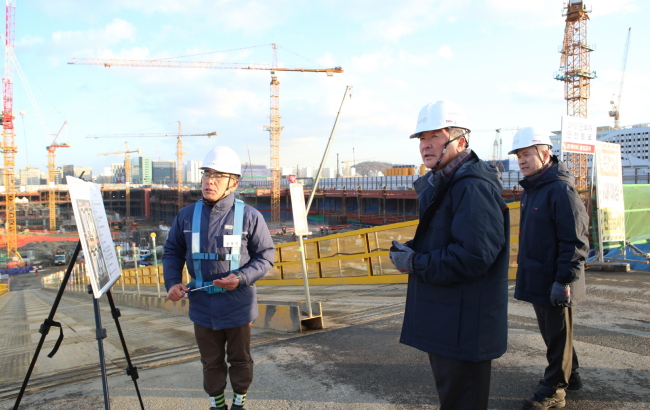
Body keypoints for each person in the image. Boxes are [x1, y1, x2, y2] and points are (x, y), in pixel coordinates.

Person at [389, 101, 510, 410]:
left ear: (460, 141)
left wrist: (415, 262)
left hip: (464, 325)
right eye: (422, 138)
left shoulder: (472, 187)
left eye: (435, 136)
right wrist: (415, 251)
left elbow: (474, 255)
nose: (426, 145)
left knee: (462, 401)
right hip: (452, 320)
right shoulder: (449, 183)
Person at [163, 146, 275, 410]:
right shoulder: (186, 216)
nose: (209, 181)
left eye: (217, 175)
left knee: (240, 358)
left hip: (238, 304)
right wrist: (172, 282)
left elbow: (266, 256)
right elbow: (173, 251)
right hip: (202, 306)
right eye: (206, 174)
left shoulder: (250, 216)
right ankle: (217, 403)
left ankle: (239, 401)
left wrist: (242, 277)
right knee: (210, 361)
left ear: (233, 182)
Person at [509, 127, 589, 410]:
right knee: (555, 333)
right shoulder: (533, 190)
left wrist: (563, 280)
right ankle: (572, 374)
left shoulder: (559, 189)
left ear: (545, 154)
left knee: (557, 334)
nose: (522, 160)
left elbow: (576, 240)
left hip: (555, 278)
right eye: (519, 155)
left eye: (527, 153)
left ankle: (554, 390)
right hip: (537, 276)